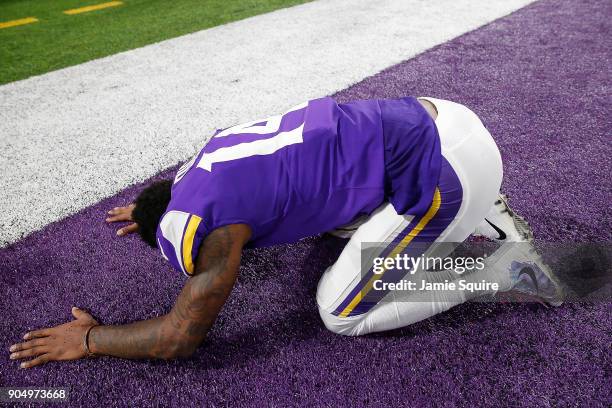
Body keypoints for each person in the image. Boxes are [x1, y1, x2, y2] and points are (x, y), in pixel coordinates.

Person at [9, 96, 563, 368]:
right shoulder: (200, 164)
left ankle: (498, 267)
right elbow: (181, 191)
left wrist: (88, 340)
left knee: (341, 313)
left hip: (447, 172)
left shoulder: (216, 230)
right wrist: (153, 208)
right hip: (439, 115)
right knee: (329, 218)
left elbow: (180, 337)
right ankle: (482, 207)